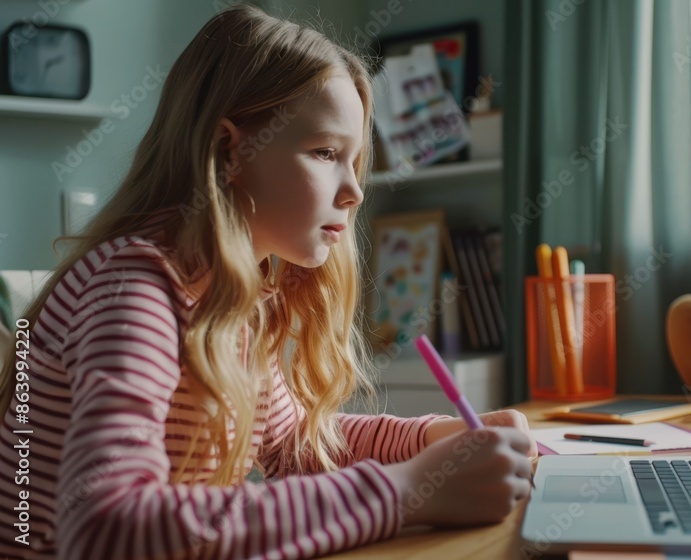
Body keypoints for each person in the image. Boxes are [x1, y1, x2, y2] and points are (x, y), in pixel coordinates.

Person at [0, 6, 535, 559]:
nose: (354, 191)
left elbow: (297, 445)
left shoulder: (231, 296)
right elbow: (104, 525)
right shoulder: (135, 289)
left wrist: (437, 442)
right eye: (327, 153)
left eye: (356, 161)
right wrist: (404, 493)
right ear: (230, 150)